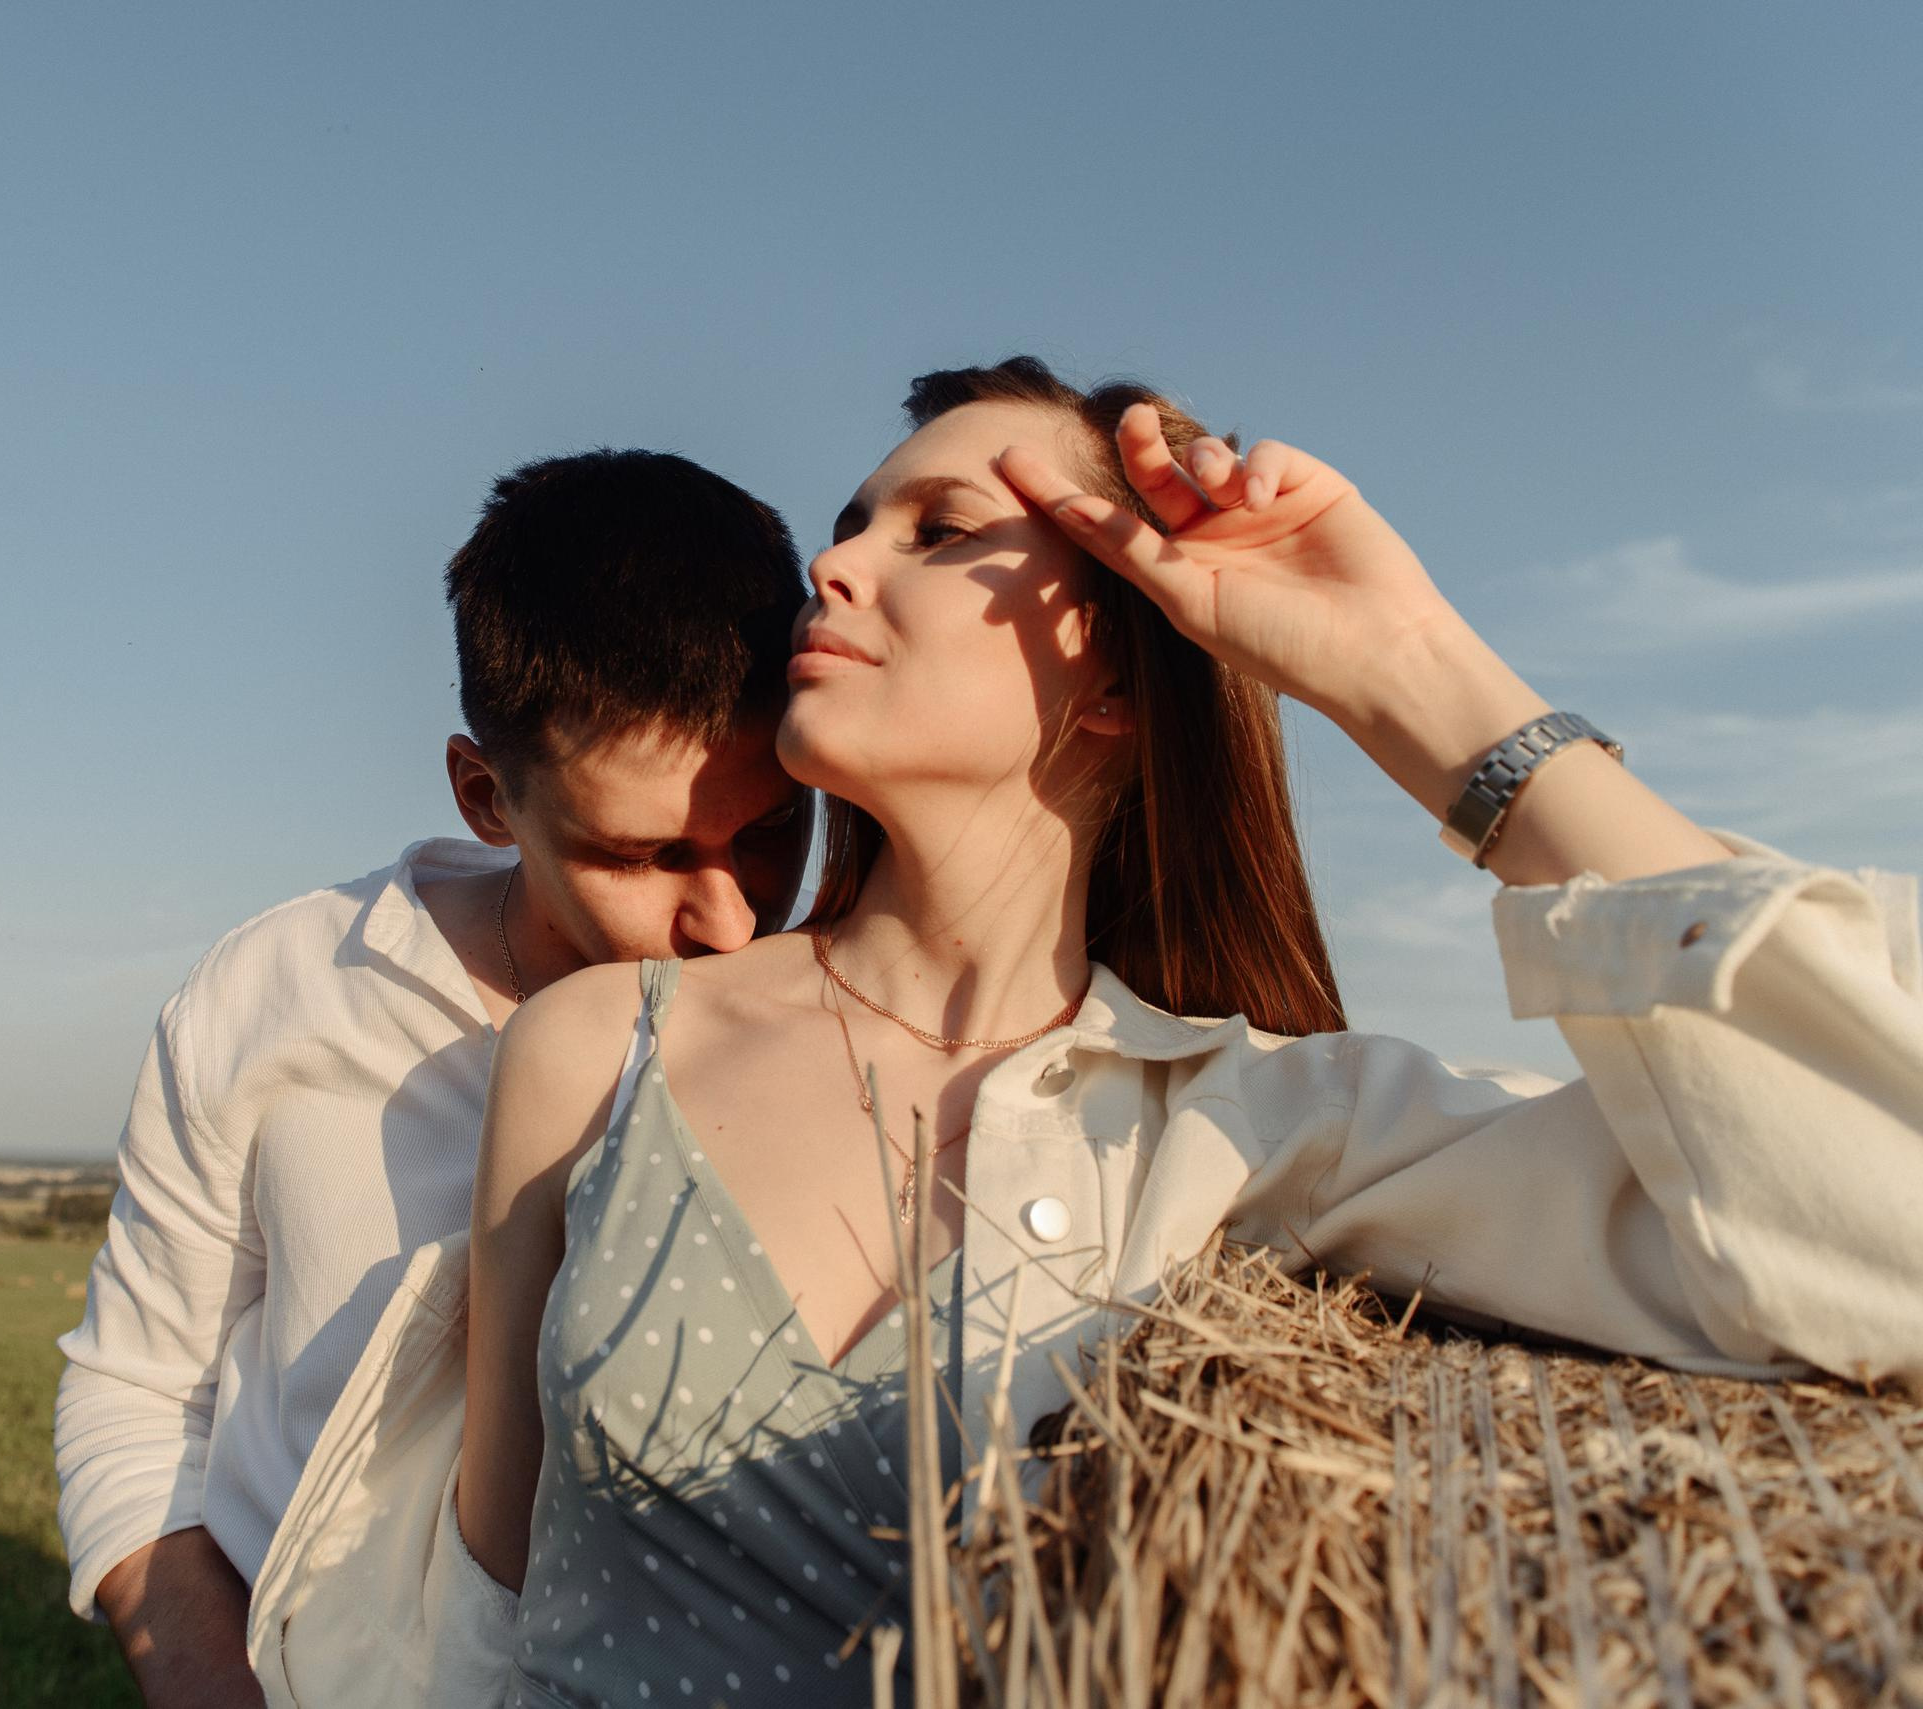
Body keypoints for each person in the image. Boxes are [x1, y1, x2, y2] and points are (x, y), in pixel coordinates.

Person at [451, 356, 1923, 1707]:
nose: (830, 567)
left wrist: (1410, 670)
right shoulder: (598, 1047)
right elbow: (482, 1597)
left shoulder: (1260, 1120)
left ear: (1111, 678)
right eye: (852, 524)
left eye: (937, 529)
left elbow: (1882, 1228)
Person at [53, 446, 816, 1708]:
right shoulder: (274, 988)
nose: (732, 920)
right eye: (644, 854)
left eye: (777, 827)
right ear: (483, 794)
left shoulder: (851, 1020)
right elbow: (138, 1388)